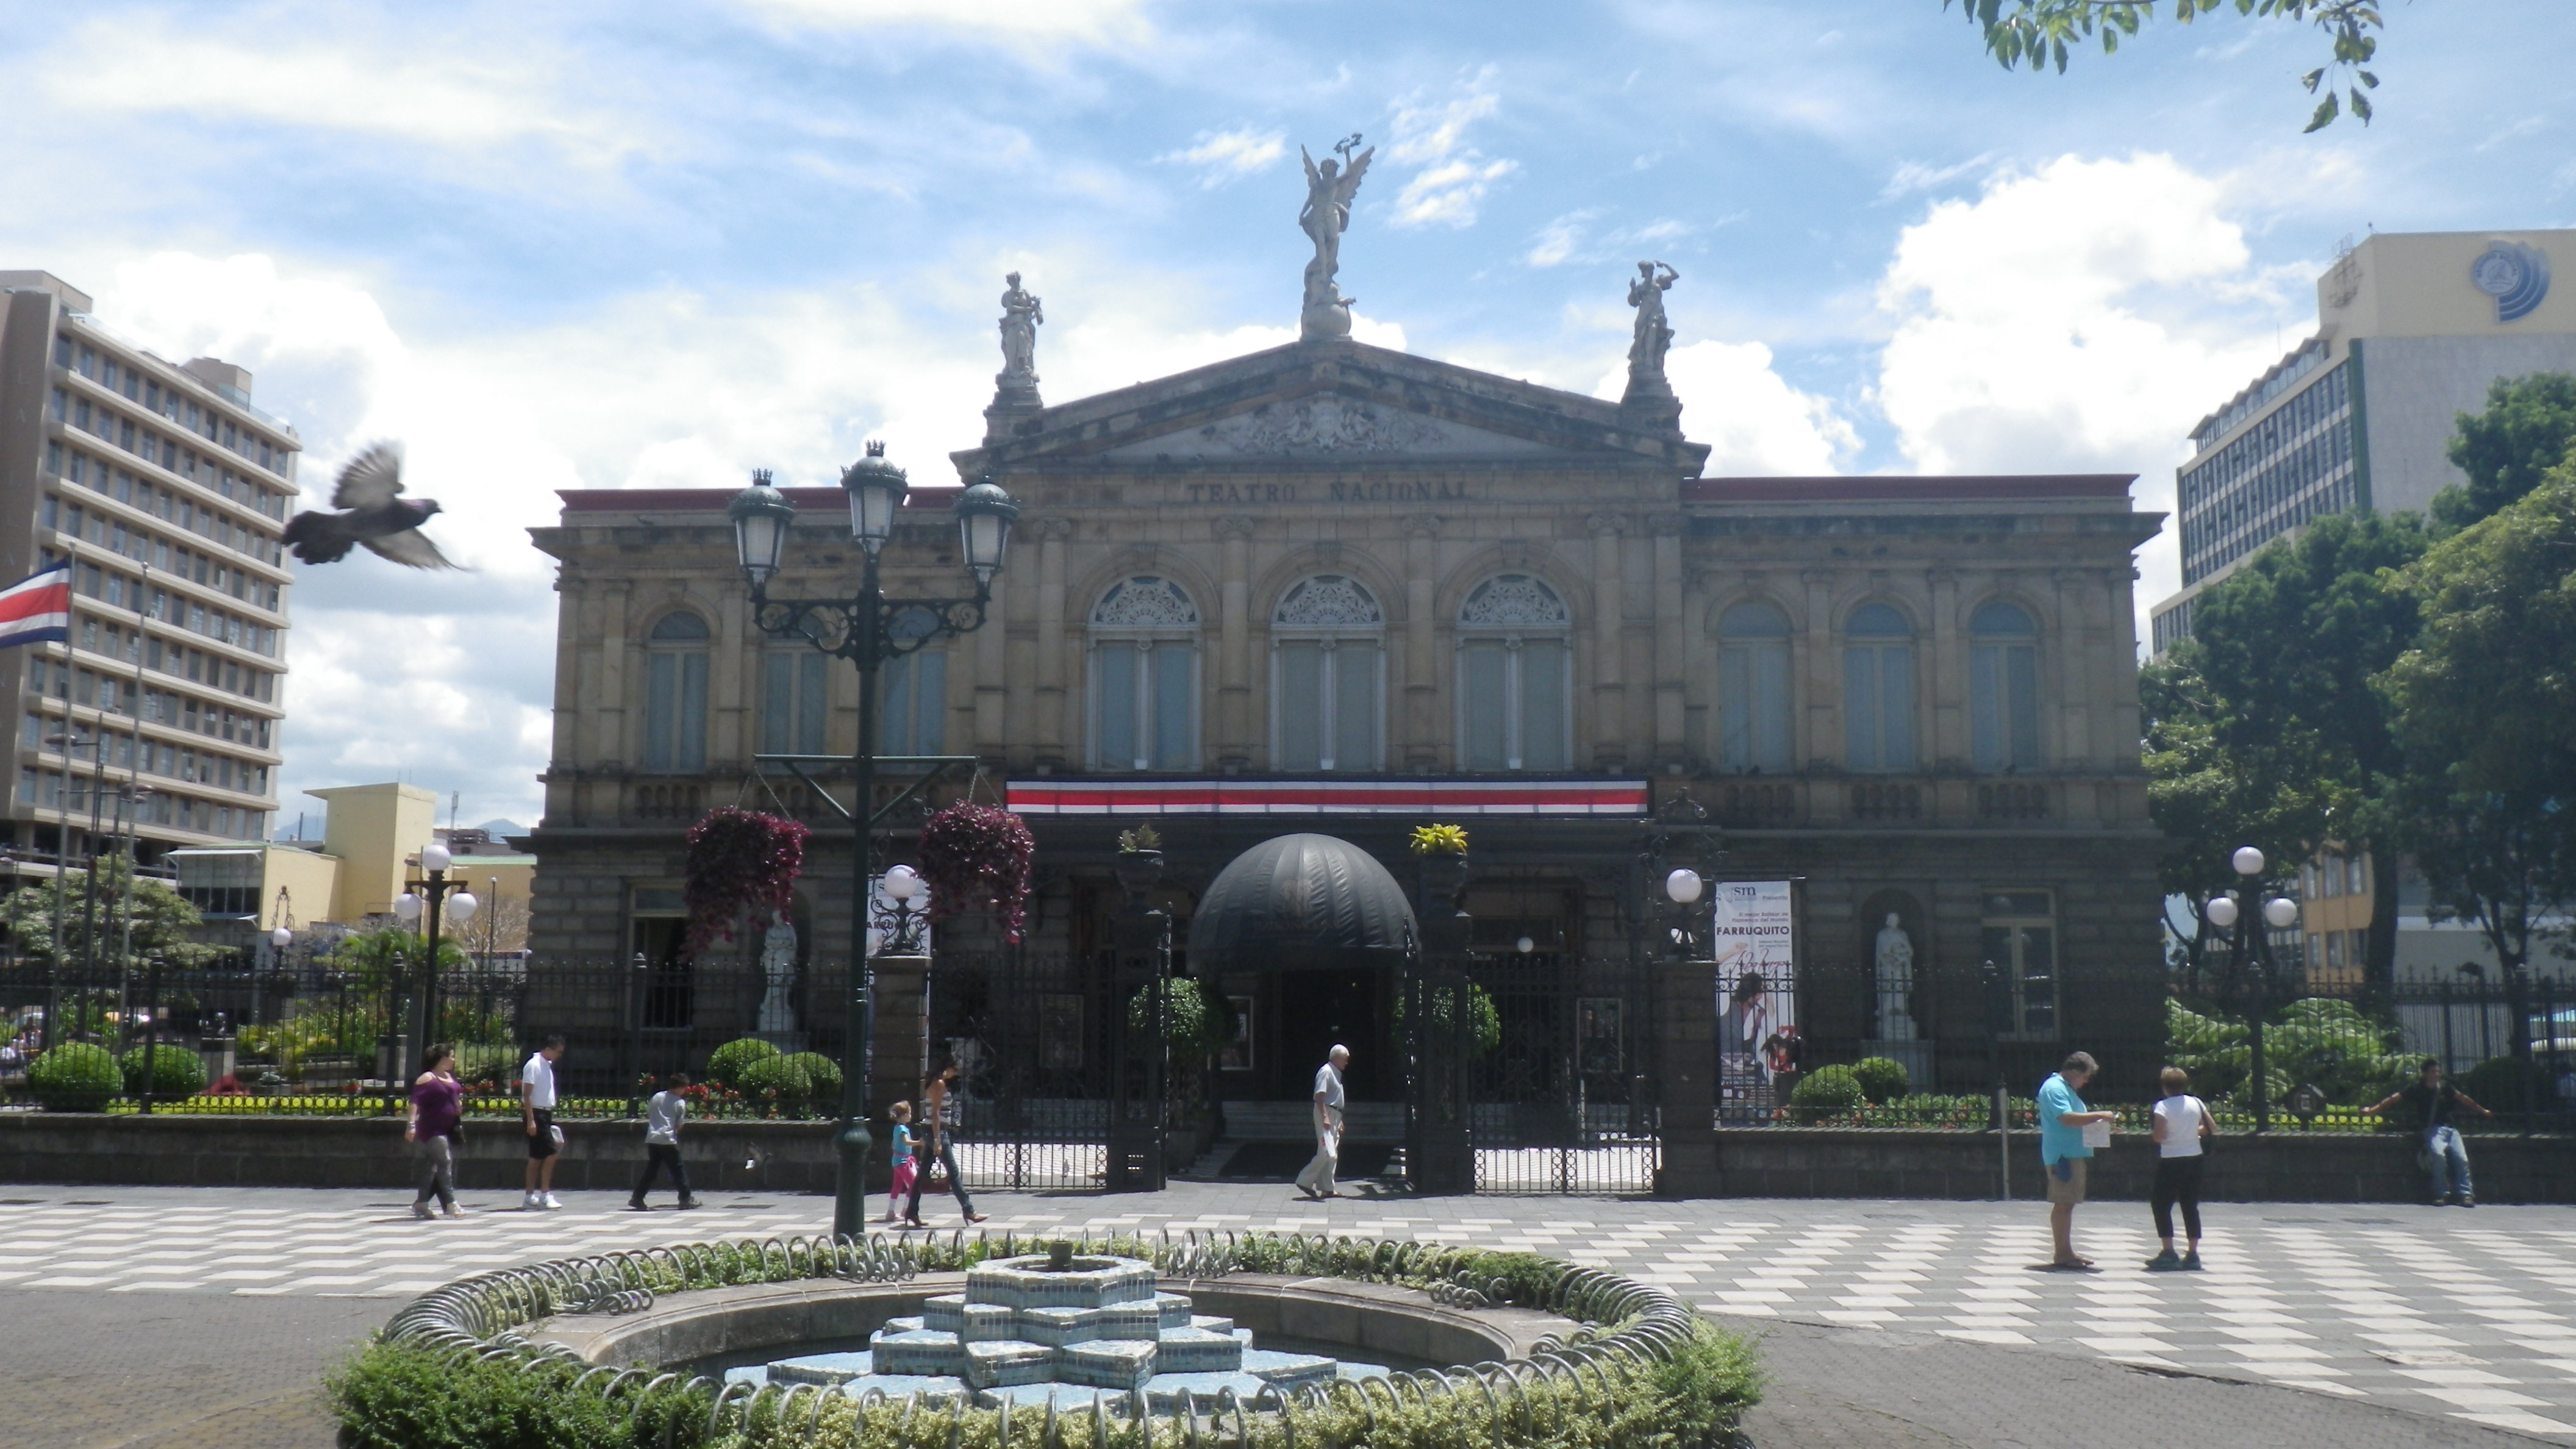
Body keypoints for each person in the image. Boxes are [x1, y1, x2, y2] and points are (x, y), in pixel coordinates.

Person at [2368, 1057, 2494, 1206]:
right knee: (2438, 1156)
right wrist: (2373, 1110)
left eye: (2439, 1072)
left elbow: (2463, 1099)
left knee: (2462, 1159)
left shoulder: (2445, 1087)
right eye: (2433, 1072)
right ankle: (2442, 1193)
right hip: (2432, 1129)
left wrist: (2482, 1110)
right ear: (2425, 1074)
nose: (2437, 1075)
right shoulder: (2416, 1088)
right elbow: (2394, 1098)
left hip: (2450, 1129)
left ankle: (2466, 1194)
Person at [2038, 1051, 2117, 1269]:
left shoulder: (2065, 1089)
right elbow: (2067, 1118)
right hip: (2064, 1156)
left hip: (2071, 1153)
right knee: (2063, 1203)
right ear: (2074, 1071)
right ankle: (2062, 1254)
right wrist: (2099, 1115)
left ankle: (2066, 1252)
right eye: (2086, 1076)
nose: (2086, 1081)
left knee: (2067, 1203)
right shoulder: (2055, 1088)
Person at [2145, 1065, 2213, 1270]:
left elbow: (2159, 1136)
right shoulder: (2196, 1102)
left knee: (2161, 1204)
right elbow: (2211, 1127)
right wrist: (2191, 1132)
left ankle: (2168, 1251)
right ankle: (2192, 1254)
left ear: (2164, 1087)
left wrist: (2171, 1136)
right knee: (2190, 1206)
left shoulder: (2163, 1107)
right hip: (2195, 1158)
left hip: (2172, 1159)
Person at [904, 1059, 986, 1226]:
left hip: (933, 1130)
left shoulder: (936, 1083)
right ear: (946, 1067)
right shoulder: (939, 1084)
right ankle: (969, 1210)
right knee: (953, 1172)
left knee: (922, 1174)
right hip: (937, 1130)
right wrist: (937, 1140)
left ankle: (911, 1211)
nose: (955, 1074)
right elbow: (935, 1114)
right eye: (954, 1069)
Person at [405, 1043, 466, 1220]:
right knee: (445, 1160)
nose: (454, 1060)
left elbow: (454, 1094)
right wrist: (411, 1125)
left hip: (448, 1128)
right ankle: (452, 1204)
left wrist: (457, 1106)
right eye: (451, 1056)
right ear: (442, 1058)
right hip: (431, 1129)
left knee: (430, 1167)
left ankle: (421, 1204)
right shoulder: (427, 1078)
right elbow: (415, 1102)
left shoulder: (448, 1076)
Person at [629, 1072, 699, 1211]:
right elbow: (679, 1125)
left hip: (653, 1138)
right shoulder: (679, 1103)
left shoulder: (657, 1096)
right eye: (684, 1088)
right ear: (679, 1088)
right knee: (678, 1170)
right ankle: (686, 1198)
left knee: (652, 1170)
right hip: (668, 1139)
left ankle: (638, 1197)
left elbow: (649, 1113)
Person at [1295, 1043, 1350, 1200]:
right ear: (1337, 1058)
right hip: (1325, 1113)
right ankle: (1304, 1180)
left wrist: (1339, 1121)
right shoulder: (1326, 1072)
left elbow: (1334, 1098)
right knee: (1327, 1151)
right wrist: (1326, 1117)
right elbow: (1319, 1096)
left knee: (1333, 1154)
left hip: (1334, 1114)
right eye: (1345, 1059)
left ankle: (1327, 1188)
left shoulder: (1335, 1073)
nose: (1346, 1063)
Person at [520, 1035, 567, 1211]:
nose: (560, 1055)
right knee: (552, 1152)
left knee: (537, 1157)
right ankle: (545, 1194)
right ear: (548, 1049)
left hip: (545, 1114)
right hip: (537, 1114)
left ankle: (529, 1196)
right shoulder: (534, 1065)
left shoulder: (546, 1065)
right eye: (558, 1051)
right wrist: (531, 1120)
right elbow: (527, 1094)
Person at [884, 1101, 917, 1223]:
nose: (910, 1116)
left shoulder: (897, 1128)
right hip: (903, 1161)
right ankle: (906, 1209)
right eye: (909, 1113)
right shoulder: (903, 1129)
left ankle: (891, 1212)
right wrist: (920, 1142)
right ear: (903, 1115)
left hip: (897, 1160)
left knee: (897, 1186)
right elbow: (907, 1142)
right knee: (913, 1185)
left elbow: (894, 1144)